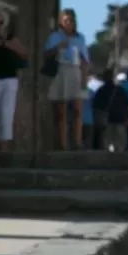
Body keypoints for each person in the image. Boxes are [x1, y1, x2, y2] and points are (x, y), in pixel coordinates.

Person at [44, 9, 90, 150]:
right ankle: (62, 143)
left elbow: (84, 59)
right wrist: (58, 47)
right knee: (61, 111)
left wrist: (84, 78)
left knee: (77, 109)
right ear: (61, 22)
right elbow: (46, 54)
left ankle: (77, 141)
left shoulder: (79, 38)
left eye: (70, 20)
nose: (68, 23)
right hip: (61, 71)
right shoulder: (55, 37)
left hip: (75, 71)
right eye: (65, 20)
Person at [0, 6, 28, 152]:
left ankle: (3, 149)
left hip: (9, 80)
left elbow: (24, 54)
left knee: (6, 113)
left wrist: (5, 44)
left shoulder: (11, 39)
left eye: (0, 22)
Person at [91, 67, 128, 152]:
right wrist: (127, 118)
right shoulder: (120, 90)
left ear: (104, 78)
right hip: (120, 119)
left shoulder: (101, 90)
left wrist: (97, 121)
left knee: (107, 144)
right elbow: (127, 105)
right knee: (120, 145)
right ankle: (119, 161)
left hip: (107, 120)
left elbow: (96, 107)